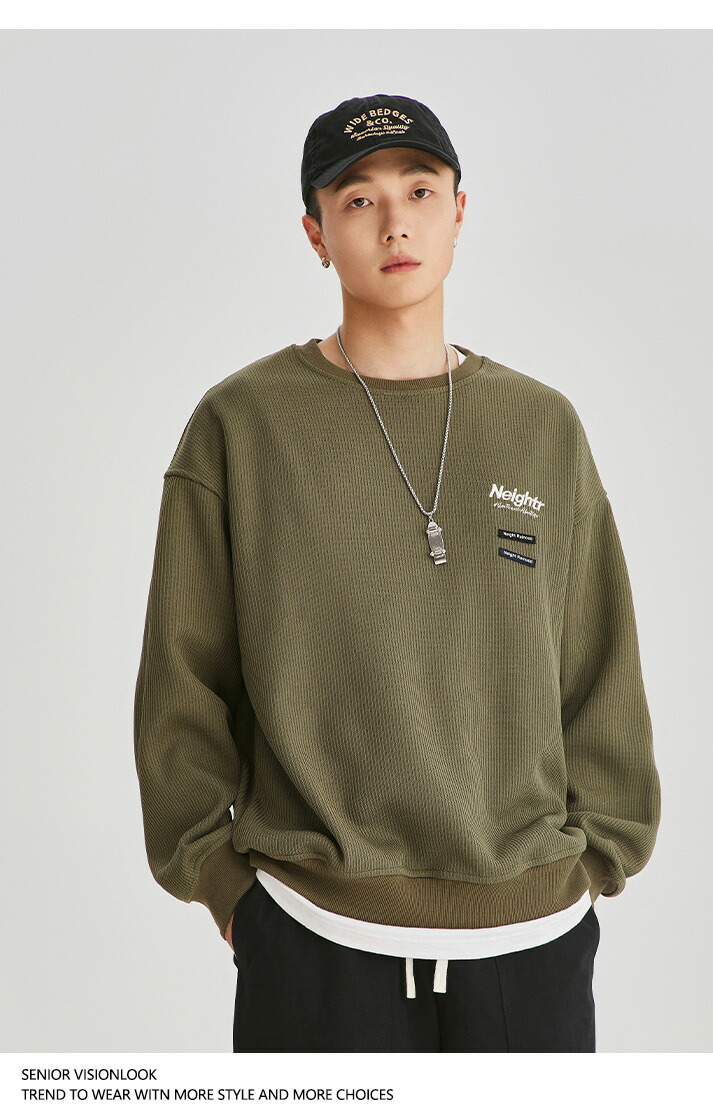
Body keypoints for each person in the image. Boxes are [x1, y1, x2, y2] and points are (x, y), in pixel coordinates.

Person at [133, 93, 661, 1054]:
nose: (394, 223)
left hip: (532, 937)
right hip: (314, 935)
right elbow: (184, 678)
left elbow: (599, 663)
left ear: (459, 211)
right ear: (315, 234)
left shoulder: (541, 425)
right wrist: (227, 888)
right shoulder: (242, 426)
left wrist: (597, 862)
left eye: (419, 190)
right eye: (357, 199)